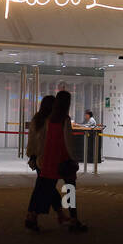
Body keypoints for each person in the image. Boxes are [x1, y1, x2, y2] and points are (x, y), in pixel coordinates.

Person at [29, 91, 87, 233]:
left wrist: (37, 157)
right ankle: (73, 220)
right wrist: (75, 159)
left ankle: (33, 216)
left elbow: (43, 141)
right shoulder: (65, 120)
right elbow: (69, 143)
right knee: (70, 191)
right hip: (64, 161)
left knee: (44, 190)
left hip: (50, 160)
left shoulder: (49, 120)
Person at [24, 96, 63, 230]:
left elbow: (32, 140)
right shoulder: (51, 121)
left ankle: (59, 214)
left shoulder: (37, 119)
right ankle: (32, 215)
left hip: (38, 159)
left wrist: (32, 156)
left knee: (46, 187)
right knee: (45, 187)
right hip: (49, 159)